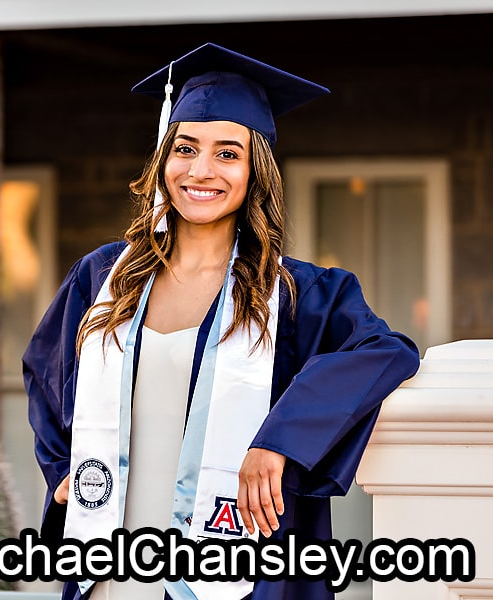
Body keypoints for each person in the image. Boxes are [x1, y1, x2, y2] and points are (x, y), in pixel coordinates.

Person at [22, 42, 421, 600]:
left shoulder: (295, 293)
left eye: (227, 154)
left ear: (255, 169)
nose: (201, 170)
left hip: (232, 576)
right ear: (164, 159)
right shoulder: (103, 278)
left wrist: (278, 441)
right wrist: (66, 469)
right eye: (185, 148)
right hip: (109, 576)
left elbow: (386, 351)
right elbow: (46, 369)